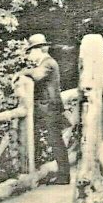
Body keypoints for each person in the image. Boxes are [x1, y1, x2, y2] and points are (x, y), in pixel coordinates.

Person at [14, 34, 70, 185]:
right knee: (54, 141)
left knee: (56, 141)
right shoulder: (46, 62)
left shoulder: (48, 63)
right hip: (48, 108)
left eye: (31, 51)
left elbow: (37, 76)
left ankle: (64, 176)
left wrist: (22, 73)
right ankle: (61, 174)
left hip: (50, 109)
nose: (29, 56)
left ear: (38, 50)